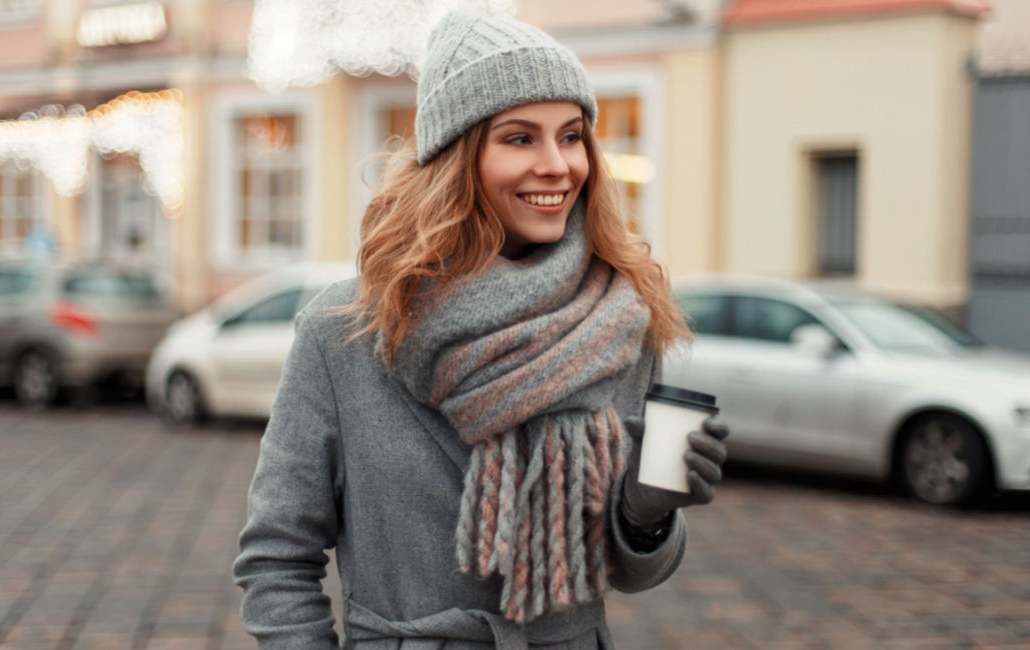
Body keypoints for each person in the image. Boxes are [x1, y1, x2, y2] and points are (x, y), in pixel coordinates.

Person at [233, 10, 729, 649]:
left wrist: (646, 514)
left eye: (572, 136)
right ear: (457, 157)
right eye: (520, 138)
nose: (556, 165)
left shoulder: (623, 320)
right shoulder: (346, 333)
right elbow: (277, 556)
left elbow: (630, 574)